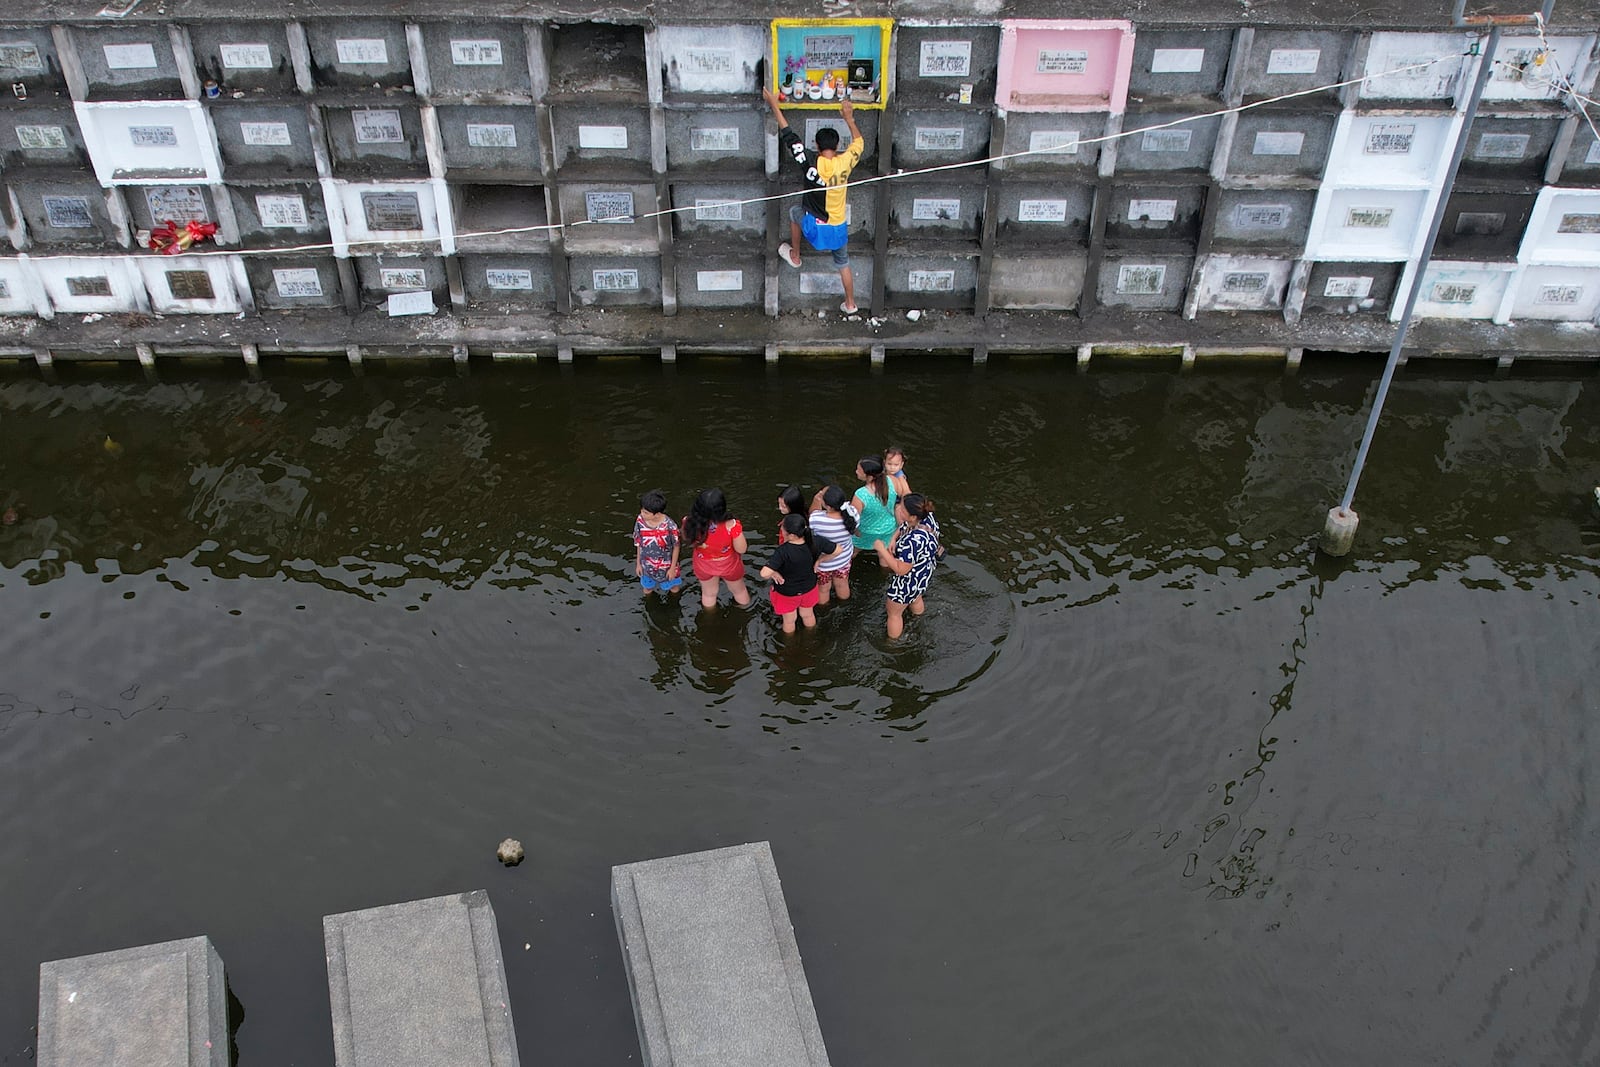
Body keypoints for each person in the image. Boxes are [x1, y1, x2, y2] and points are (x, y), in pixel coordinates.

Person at [762, 85, 865, 314]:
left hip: (816, 230)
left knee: (793, 213)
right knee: (843, 263)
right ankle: (850, 304)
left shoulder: (810, 162)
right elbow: (859, 142)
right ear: (838, 146)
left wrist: (774, 104)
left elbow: (789, 134)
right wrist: (849, 118)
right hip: (838, 228)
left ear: (817, 147)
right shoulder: (846, 161)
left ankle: (796, 256)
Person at [872, 493, 941, 639]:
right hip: (923, 572)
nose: (899, 510)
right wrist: (893, 538)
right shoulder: (927, 517)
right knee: (916, 597)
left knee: (894, 613)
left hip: (906, 582)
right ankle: (918, 618)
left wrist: (882, 550)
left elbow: (901, 569)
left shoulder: (912, 541)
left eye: (903, 510)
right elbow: (905, 525)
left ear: (913, 517)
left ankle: (893, 644)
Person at [759, 512, 841, 633]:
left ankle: (790, 644)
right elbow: (838, 550)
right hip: (809, 589)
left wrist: (774, 573)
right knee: (808, 614)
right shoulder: (816, 541)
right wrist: (820, 560)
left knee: (789, 620)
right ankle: (811, 635)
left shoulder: (783, 551)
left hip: (787, 593)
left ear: (791, 535)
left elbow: (764, 574)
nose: (781, 529)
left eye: (782, 527)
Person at [683, 487, 750, 609]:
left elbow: (689, 540)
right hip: (729, 565)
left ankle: (709, 618)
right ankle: (745, 613)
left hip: (703, 564)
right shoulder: (731, 525)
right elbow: (742, 549)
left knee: (709, 594)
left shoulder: (689, 522)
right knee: (739, 591)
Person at [808, 485, 858, 605]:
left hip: (823, 563)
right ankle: (845, 604)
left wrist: (816, 500)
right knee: (842, 584)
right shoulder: (853, 513)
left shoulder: (817, 519)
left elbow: (812, 514)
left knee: (823, 589)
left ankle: (824, 608)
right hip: (843, 558)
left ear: (828, 506)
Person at [632, 489, 682, 596]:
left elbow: (676, 546)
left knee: (673, 587)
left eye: (646, 512)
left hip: (666, 566)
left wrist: (672, 568)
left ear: (657, 514)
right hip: (647, 565)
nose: (642, 514)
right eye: (642, 510)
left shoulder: (670, 526)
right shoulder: (640, 520)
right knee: (647, 588)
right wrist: (638, 564)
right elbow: (638, 542)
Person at [850, 455, 897, 557]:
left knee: (852, 552)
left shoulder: (861, 494)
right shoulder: (892, 481)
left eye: (859, 470)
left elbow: (852, 520)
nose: (856, 471)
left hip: (865, 533)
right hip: (888, 530)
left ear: (869, 476)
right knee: (884, 556)